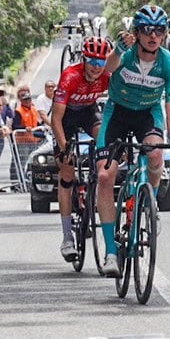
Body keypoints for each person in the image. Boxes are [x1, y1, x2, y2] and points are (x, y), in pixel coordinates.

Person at [92, 5, 170, 276]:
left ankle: (150, 202)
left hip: (148, 113)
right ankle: (111, 252)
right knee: (105, 176)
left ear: (165, 34)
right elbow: (106, 71)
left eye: (159, 30)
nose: (153, 36)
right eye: (147, 30)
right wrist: (117, 50)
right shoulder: (126, 53)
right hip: (117, 113)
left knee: (156, 155)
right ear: (137, 32)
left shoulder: (169, 63)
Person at [49, 36, 115, 260]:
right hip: (65, 116)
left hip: (88, 111)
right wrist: (64, 147)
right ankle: (67, 237)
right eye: (92, 61)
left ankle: (96, 177)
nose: (96, 67)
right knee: (67, 170)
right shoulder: (70, 76)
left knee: (105, 138)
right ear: (84, 59)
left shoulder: (106, 77)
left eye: (101, 62)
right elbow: (56, 119)